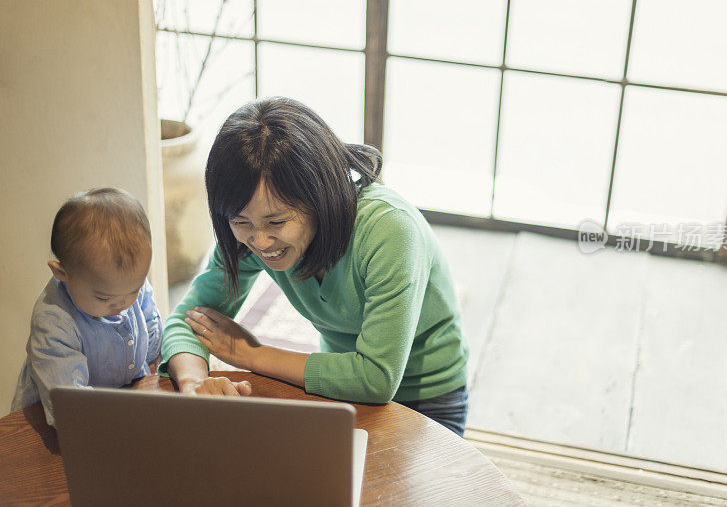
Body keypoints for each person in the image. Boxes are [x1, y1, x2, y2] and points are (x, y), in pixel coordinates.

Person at [160, 97, 470, 435]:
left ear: (318, 196)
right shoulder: (246, 234)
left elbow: (376, 378)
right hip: (336, 385)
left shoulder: (389, 229)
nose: (260, 241)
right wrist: (193, 385)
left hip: (428, 398)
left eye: (277, 221)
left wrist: (248, 354)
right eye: (240, 220)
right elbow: (189, 318)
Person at [11, 188, 163, 426]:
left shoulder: (125, 283)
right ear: (62, 273)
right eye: (104, 298)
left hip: (122, 402)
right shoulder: (54, 322)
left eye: (135, 289)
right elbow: (72, 408)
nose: (122, 304)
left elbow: (150, 319)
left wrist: (155, 353)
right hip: (62, 425)